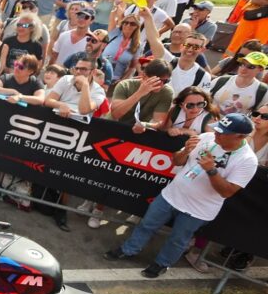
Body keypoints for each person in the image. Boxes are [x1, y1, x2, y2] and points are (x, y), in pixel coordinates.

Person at [106, 114, 258, 278]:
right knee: (146, 225)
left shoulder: (248, 160)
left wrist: (211, 170)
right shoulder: (207, 137)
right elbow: (176, 161)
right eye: (217, 129)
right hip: (170, 195)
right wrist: (185, 151)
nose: (216, 134)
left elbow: (227, 192)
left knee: (178, 240)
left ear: (240, 136)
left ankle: (162, 264)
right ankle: (129, 249)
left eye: (223, 132)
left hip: (197, 210)